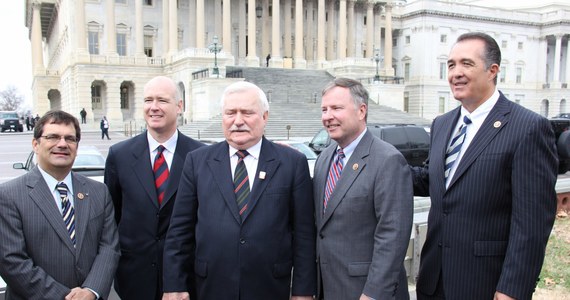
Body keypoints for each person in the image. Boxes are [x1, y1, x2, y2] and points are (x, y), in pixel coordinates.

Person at [410, 32, 558, 300]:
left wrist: (512, 289)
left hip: (485, 284)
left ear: (493, 71)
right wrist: (376, 164)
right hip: (434, 281)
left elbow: (532, 223)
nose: (455, 73)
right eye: (451, 64)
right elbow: (432, 180)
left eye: (466, 64)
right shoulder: (442, 124)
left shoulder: (528, 127)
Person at [162, 81, 316, 300]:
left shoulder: (292, 163)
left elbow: (303, 235)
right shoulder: (197, 162)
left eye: (247, 112)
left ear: (265, 117)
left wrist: (303, 292)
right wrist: (174, 284)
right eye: (230, 113)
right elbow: (179, 230)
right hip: (210, 287)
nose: (238, 121)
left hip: (270, 288)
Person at [0, 110, 120, 300]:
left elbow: (109, 247)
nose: (62, 144)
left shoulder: (99, 191)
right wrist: (65, 297)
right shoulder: (8, 195)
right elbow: (12, 262)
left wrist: (91, 290)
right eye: (53, 137)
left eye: (70, 139)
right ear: (35, 144)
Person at [104, 76, 204, 300]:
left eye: (162, 100)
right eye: (148, 100)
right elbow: (112, 217)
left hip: (186, 279)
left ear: (180, 106)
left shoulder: (201, 156)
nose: (154, 107)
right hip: (134, 277)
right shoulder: (119, 155)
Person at [314, 78, 413, 300]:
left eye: (336, 108)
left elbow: (393, 236)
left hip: (367, 291)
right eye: (324, 109)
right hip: (329, 288)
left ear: (361, 111)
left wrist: (374, 293)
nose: (328, 116)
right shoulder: (324, 158)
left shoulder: (388, 160)